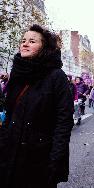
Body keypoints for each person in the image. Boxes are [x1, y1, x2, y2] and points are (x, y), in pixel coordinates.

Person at [0, 24, 74, 188]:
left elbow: (64, 122)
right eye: (23, 40)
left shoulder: (56, 77)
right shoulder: (17, 74)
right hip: (10, 155)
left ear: (44, 48)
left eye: (32, 41)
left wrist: (54, 160)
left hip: (39, 159)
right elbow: (9, 114)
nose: (25, 44)